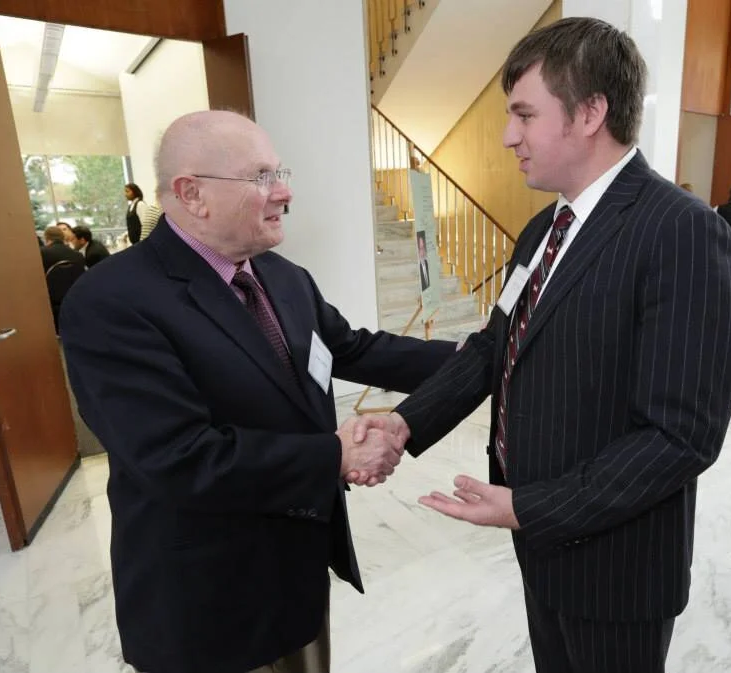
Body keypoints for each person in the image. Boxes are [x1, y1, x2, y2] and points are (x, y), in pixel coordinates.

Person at [352, 18, 731, 673]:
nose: (509, 136)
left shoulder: (683, 235)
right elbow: (490, 350)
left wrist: (527, 507)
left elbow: (680, 437)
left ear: (591, 112)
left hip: (615, 565)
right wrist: (402, 421)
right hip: (539, 543)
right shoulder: (543, 229)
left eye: (524, 114)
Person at [59, 110, 456, 673]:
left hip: (295, 571)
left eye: (280, 172)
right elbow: (179, 458)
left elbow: (352, 349)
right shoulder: (112, 302)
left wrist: (475, 361)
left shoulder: (281, 275)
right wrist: (337, 454)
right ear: (191, 193)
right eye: (262, 177)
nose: (284, 191)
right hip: (207, 599)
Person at [40, 225, 85, 332]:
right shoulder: (77, 255)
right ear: (62, 237)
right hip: (75, 296)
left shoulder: (42, 253)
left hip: (51, 299)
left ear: (47, 238)